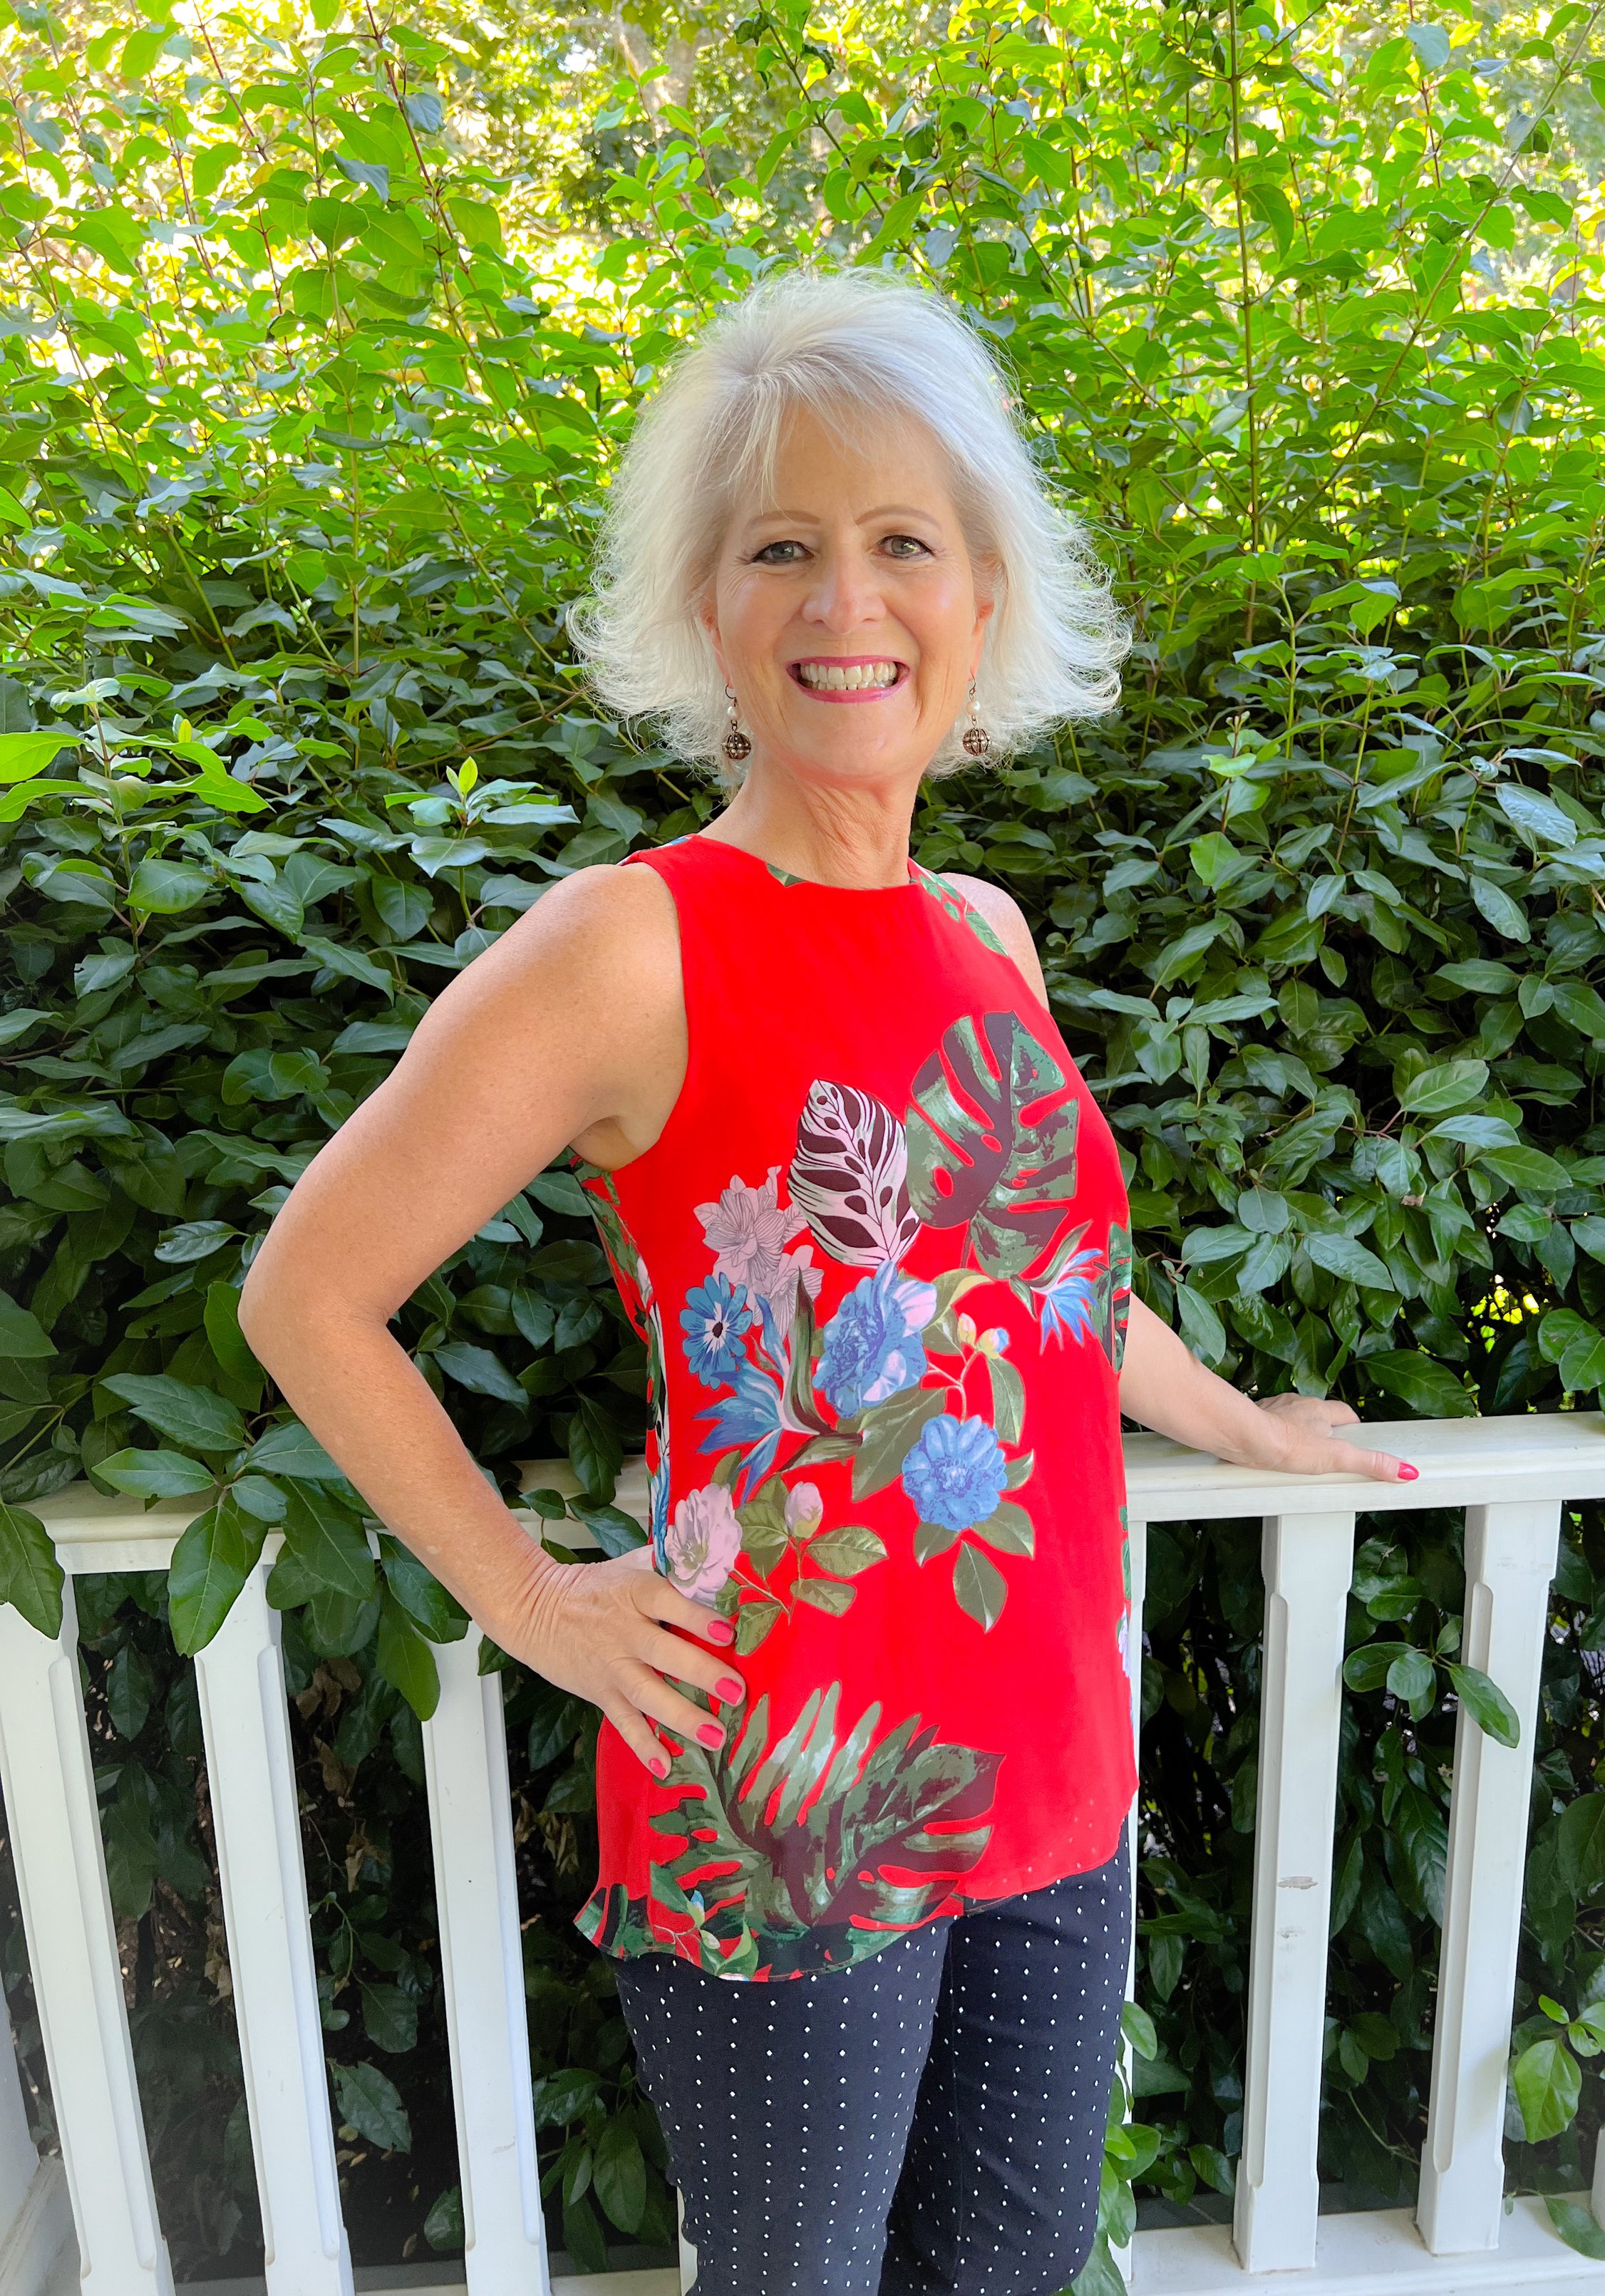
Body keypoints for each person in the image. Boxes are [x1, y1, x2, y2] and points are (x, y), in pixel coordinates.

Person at [239, 264, 1417, 2296]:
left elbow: (1037, 1284)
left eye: (902, 545)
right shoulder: (633, 945)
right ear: (707, 607)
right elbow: (307, 1293)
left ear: (984, 596)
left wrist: (1244, 1425)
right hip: (789, 1792)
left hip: (1052, 1758)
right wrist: (531, 1597)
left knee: (1013, 2269)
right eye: (780, 547)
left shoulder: (984, 933)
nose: (843, 600)